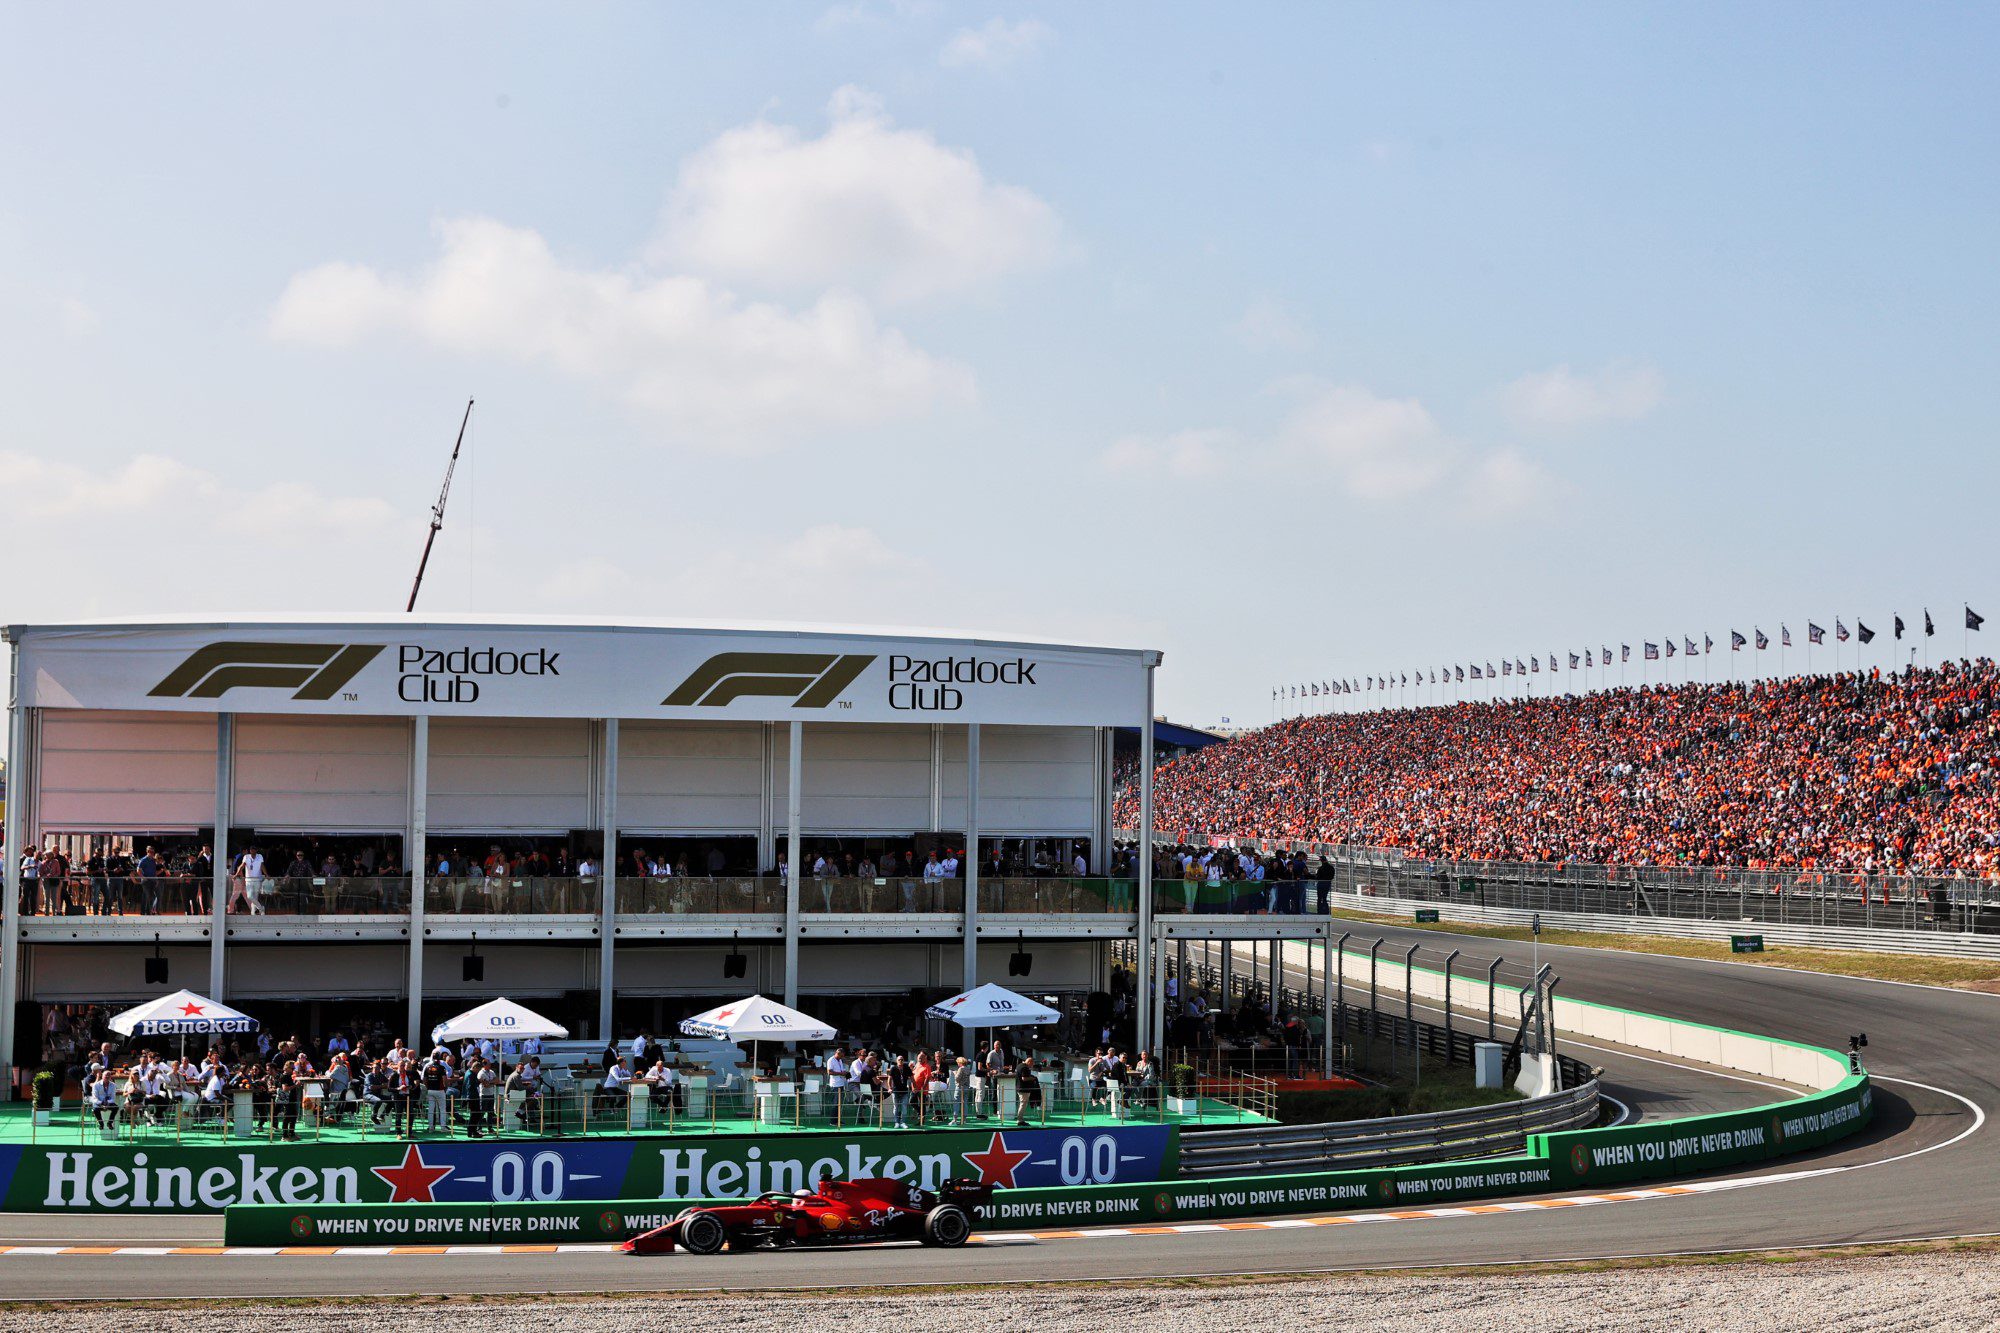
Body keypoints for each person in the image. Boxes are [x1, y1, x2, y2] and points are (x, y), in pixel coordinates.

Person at [886, 1054, 914, 1130]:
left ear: (904, 1060)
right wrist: (890, 1088)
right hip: (895, 1091)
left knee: (904, 1107)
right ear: (896, 1061)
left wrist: (913, 1086)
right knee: (896, 1107)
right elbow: (889, 1079)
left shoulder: (906, 1068)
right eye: (899, 1060)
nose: (900, 1061)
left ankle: (903, 1122)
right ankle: (897, 1122)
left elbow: (912, 1078)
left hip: (904, 1091)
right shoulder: (893, 1068)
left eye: (902, 1059)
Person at [1013, 1055, 1043, 1125]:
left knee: (1022, 1104)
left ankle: (1020, 1118)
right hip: (1024, 1089)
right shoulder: (1025, 1068)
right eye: (1032, 1064)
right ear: (1029, 1062)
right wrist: (1033, 1078)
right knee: (1023, 1104)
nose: (1032, 1066)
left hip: (1019, 1087)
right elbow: (1024, 1078)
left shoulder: (1019, 1065)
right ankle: (1020, 1120)